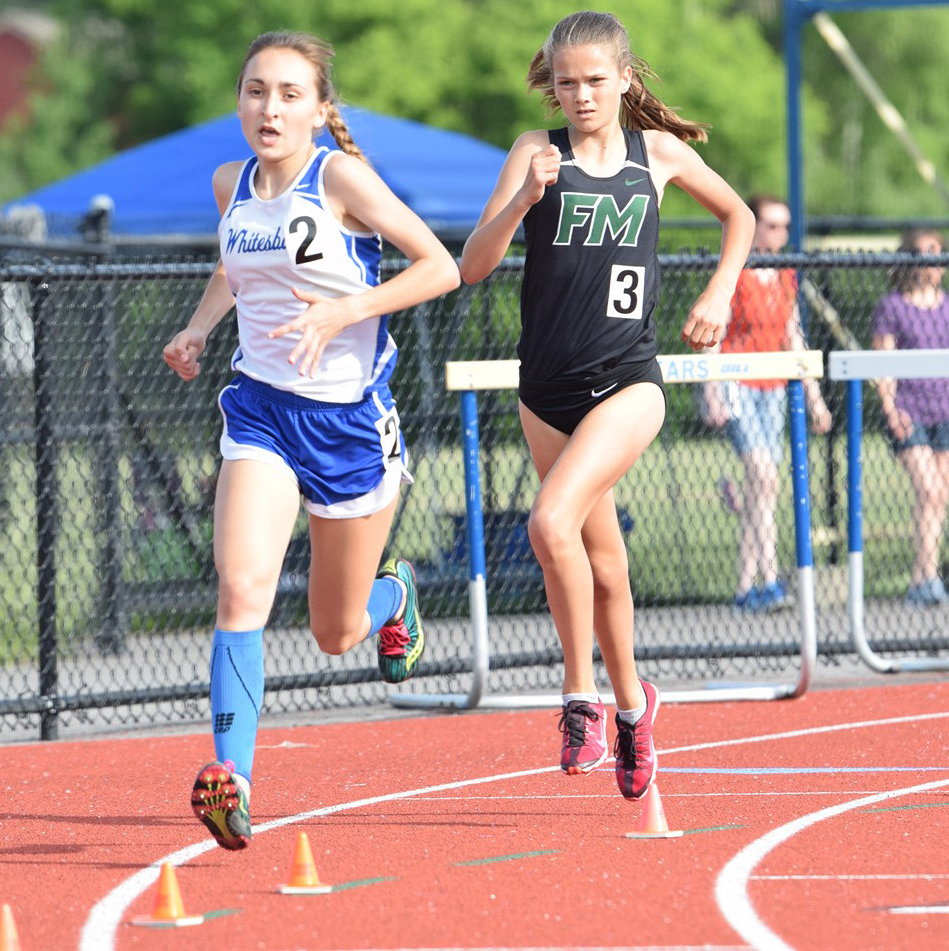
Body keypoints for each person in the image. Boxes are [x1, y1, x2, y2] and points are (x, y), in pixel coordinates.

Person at [163, 30, 459, 851]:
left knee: (335, 632)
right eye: (256, 90)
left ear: (320, 110)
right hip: (260, 409)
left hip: (347, 424)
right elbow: (231, 268)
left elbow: (439, 266)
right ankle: (233, 780)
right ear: (239, 100)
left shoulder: (339, 178)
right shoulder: (229, 184)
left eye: (290, 94)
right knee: (240, 587)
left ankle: (392, 597)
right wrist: (197, 329)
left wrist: (345, 310)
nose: (269, 108)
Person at [457, 11, 754, 801]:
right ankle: (632, 709)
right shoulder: (534, 151)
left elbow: (739, 215)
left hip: (627, 380)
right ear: (550, 87)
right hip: (544, 388)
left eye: (594, 79)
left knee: (548, 523)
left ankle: (578, 697)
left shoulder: (655, 154)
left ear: (623, 78)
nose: (581, 94)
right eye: (566, 82)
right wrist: (522, 200)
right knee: (603, 560)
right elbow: (472, 265)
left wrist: (719, 292)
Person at [700, 195, 832, 612]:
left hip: (774, 385)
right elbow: (715, 333)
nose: (780, 234)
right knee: (764, 474)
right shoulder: (735, 271)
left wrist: (814, 398)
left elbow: (793, 334)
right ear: (753, 226)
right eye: (772, 225)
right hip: (738, 380)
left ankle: (746, 588)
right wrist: (712, 389)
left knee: (762, 487)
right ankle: (771, 579)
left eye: (784, 226)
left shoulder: (786, 275)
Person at [872, 228, 949, 606]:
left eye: (939, 253)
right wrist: (891, 410)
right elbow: (883, 364)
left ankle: (924, 576)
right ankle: (926, 576)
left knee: (940, 496)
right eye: (926, 254)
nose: (935, 262)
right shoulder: (892, 307)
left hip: (945, 411)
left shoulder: (947, 306)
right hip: (910, 411)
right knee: (929, 490)